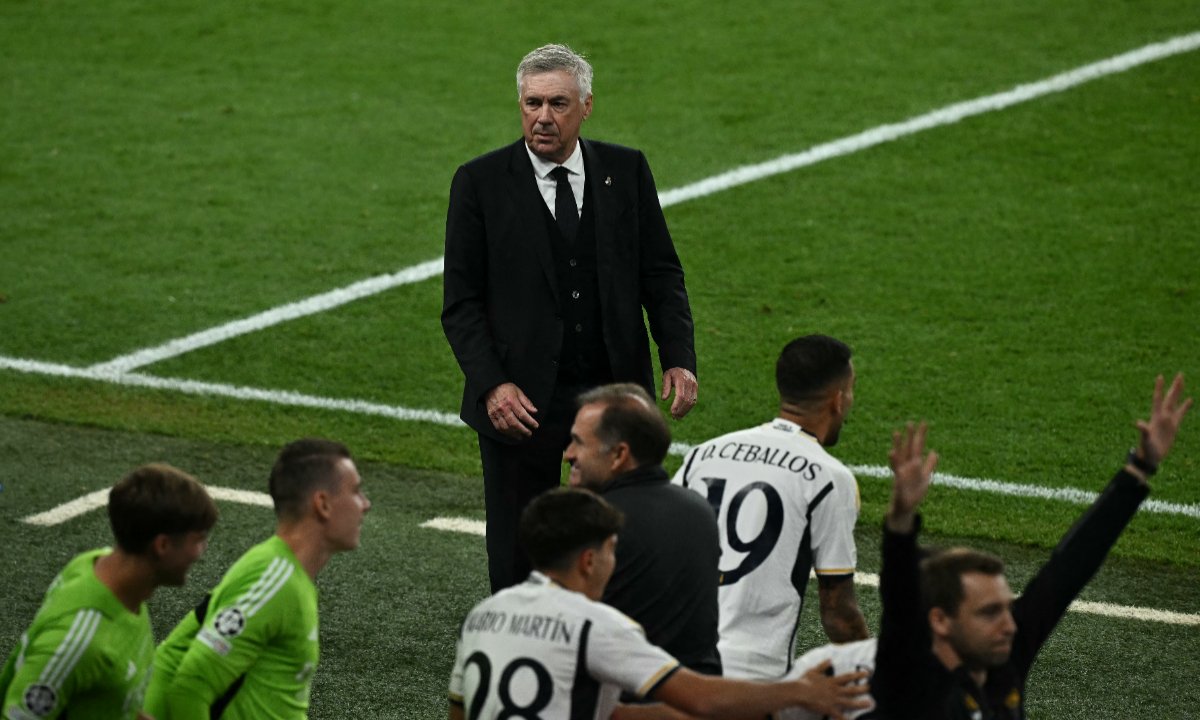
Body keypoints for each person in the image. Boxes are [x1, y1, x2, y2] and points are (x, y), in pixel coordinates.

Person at [442, 43, 698, 592]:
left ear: (586, 106)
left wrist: (678, 359)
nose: (542, 117)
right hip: (520, 403)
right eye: (531, 103)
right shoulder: (479, 183)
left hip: (613, 395)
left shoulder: (626, 171)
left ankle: (611, 651)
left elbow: (660, 273)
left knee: (617, 536)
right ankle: (516, 648)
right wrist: (492, 386)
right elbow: (461, 303)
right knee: (516, 542)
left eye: (557, 103)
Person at [869, 373, 1192, 719]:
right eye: (989, 612)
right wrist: (900, 523)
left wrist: (1140, 468)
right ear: (940, 621)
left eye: (1007, 608)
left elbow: (1068, 570)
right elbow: (900, 602)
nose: (1009, 624)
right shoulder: (909, 681)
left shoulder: (1004, 659)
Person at [448, 488, 870, 720]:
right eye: (613, 551)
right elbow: (701, 698)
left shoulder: (483, 615)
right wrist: (798, 691)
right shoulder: (595, 624)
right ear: (590, 560)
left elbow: (460, 711)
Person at [672, 334, 868, 679]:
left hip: (672, 664)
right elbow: (837, 612)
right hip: (751, 676)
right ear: (837, 400)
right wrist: (877, 673)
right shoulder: (829, 477)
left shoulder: (703, 454)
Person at [143, 438, 371, 720]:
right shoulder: (276, 580)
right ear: (322, 504)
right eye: (356, 491)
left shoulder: (288, 576)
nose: (365, 504)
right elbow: (191, 686)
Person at [0, 464, 218, 720]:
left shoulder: (103, 569)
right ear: (162, 545)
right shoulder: (81, 642)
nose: (201, 552)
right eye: (199, 540)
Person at [564, 383, 721, 675]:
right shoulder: (699, 510)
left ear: (619, 455)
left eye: (578, 442)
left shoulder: (592, 523)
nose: (568, 454)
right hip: (698, 697)